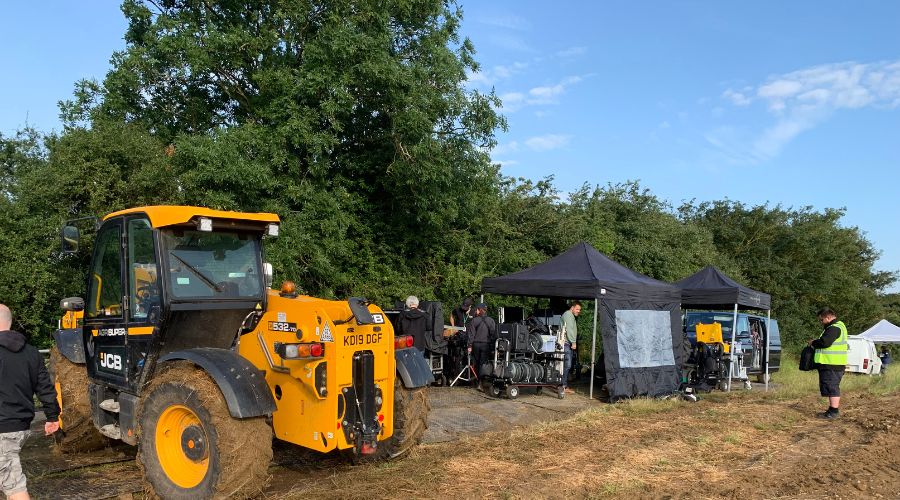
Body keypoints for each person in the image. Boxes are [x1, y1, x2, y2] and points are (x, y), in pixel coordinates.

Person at [0, 304, 60, 500]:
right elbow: (45, 387)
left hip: (3, 430)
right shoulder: (31, 352)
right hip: (20, 427)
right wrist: (52, 416)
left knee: (14, 486)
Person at [808, 307, 848, 419]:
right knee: (831, 387)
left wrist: (813, 342)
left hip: (832, 364)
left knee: (832, 387)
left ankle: (834, 412)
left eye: (821, 320)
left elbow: (825, 342)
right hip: (833, 364)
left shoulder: (834, 328)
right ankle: (831, 410)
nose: (821, 322)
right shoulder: (838, 326)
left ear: (828, 317)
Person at [466, 303, 497, 386]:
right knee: (483, 363)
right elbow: (493, 335)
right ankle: (481, 382)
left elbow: (471, 334)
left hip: (476, 345)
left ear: (479, 310)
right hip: (486, 345)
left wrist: (469, 345)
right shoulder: (491, 320)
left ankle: (476, 381)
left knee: (476, 363)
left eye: (477, 310)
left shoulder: (474, 320)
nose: (476, 311)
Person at [560, 301, 581, 394]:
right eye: (577, 309)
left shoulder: (570, 315)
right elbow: (569, 329)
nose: (578, 311)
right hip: (566, 344)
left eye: (579, 310)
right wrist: (573, 342)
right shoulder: (568, 315)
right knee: (567, 365)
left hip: (567, 343)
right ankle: (563, 386)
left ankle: (563, 385)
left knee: (566, 365)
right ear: (572, 307)